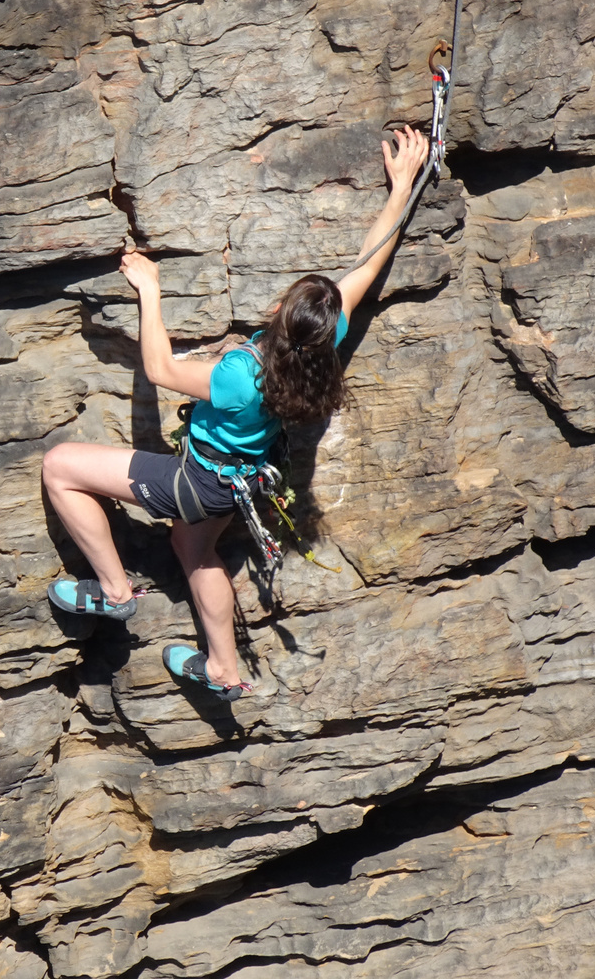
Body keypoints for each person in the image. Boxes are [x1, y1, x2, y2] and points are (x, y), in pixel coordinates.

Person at [41, 125, 431, 700]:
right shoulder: (319, 351)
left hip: (193, 483)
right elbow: (365, 271)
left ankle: (115, 591)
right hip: (241, 481)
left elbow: (160, 370)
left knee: (60, 466)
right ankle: (223, 669)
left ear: (278, 311)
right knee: (194, 551)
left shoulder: (240, 374)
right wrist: (401, 190)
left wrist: (149, 289)